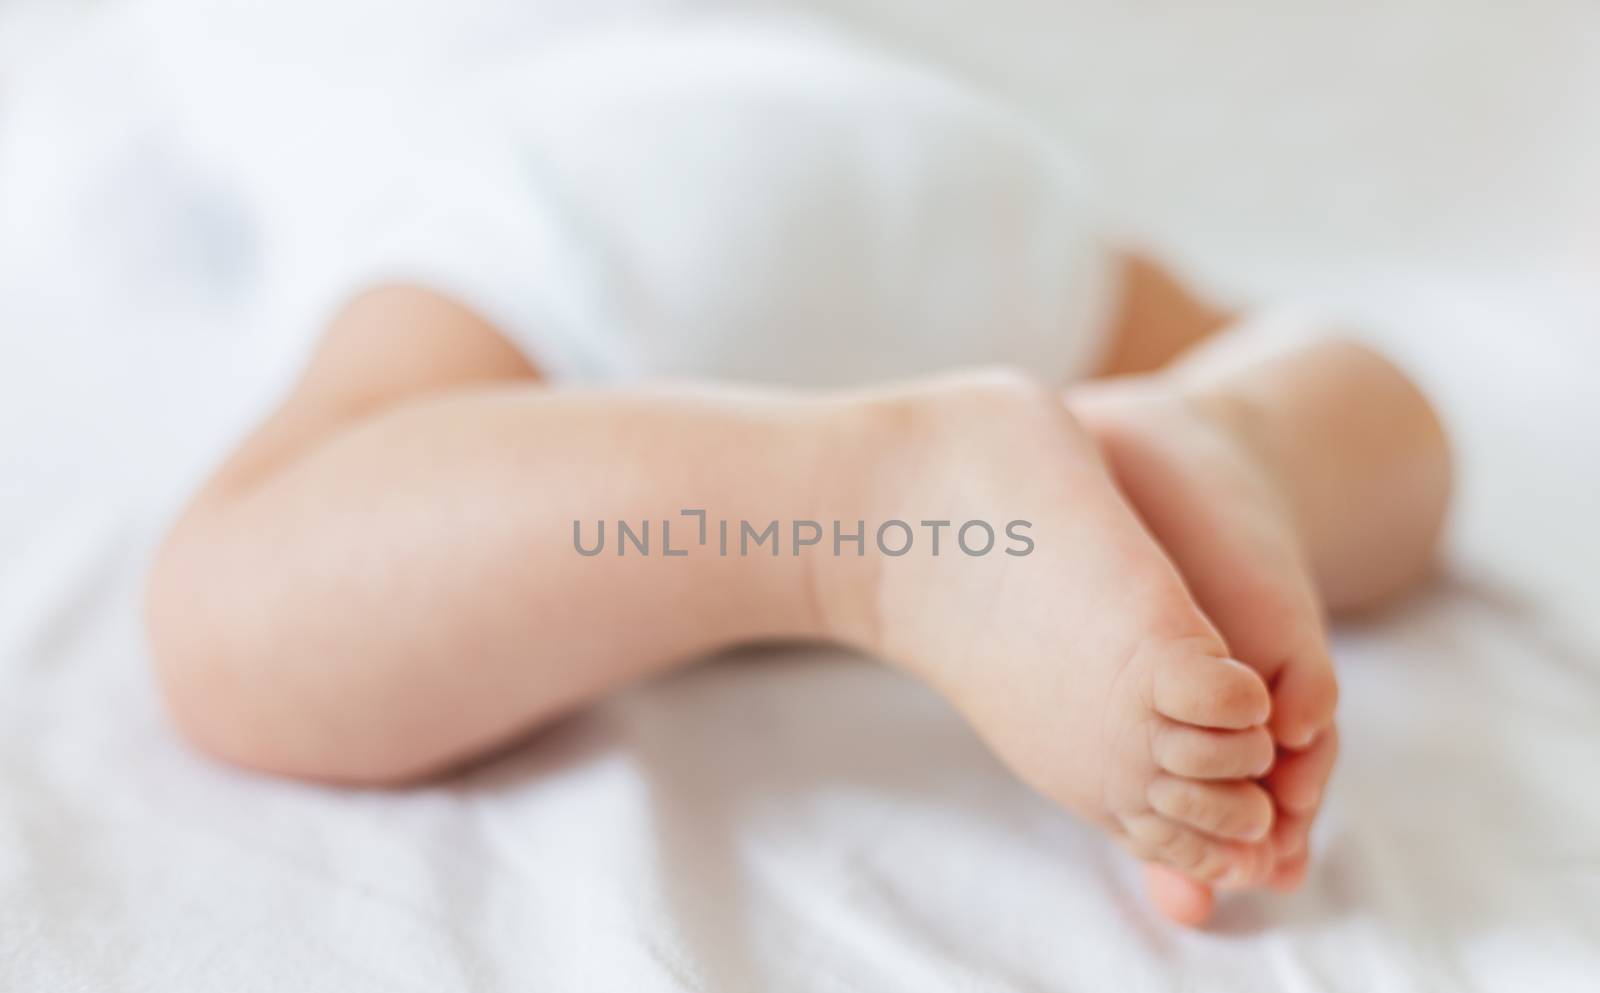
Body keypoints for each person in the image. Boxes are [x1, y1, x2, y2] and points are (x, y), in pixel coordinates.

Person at [143, 19, 1450, 926]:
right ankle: (1223, 435)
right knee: (1329, 378)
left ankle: (867, 515)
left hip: (571, 168)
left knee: (232, 608)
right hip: (933, 155)